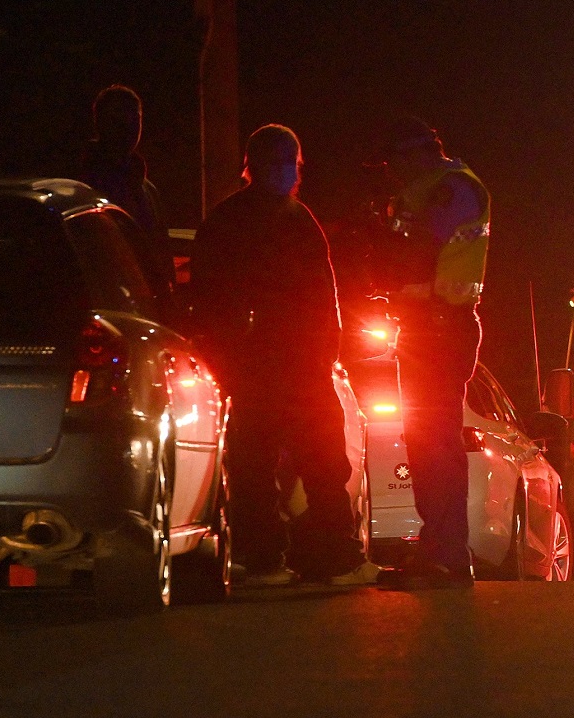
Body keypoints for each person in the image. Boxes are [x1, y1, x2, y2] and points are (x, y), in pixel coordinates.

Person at [185, 125, 377, 586]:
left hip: (276, 365)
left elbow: (209, 302)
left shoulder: (234, 220)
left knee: (274, 465)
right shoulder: (290, 220)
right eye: (282, 162)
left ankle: (270, 558)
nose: (286, 172)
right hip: (283, 364)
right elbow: (317, 297)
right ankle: (322, 557)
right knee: (309, 465)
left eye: (288, 163)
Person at [371, 117, 491, 589]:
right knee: (424, 441)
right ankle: (438, 547)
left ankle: (448, 554)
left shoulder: (454, 189)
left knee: (436, 442)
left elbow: (419, 243)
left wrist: (384, 237)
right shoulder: (427, 192)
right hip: (425, 324)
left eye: (394, 162)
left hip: (443, 323)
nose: (391, 172)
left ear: (416, 154)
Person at [76, 85, 172, 298]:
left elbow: (161, 251)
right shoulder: (83, 185)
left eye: (134, 119)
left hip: (145, 303)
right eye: (118, 120)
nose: (127, 128)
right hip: (106, 299)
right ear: (99, 122)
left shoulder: (147, 189)